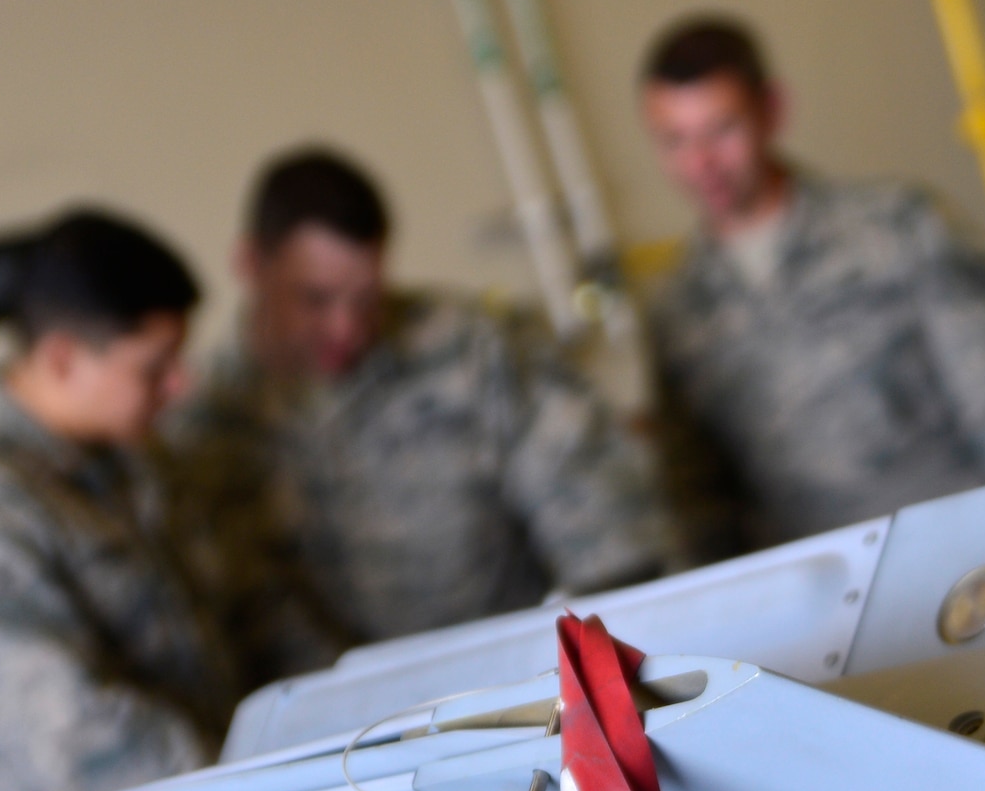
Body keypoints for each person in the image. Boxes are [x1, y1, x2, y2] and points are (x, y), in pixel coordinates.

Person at [164, 148, 673, 672]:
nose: (345, 327)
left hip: (526, 687)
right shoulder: (205, 426)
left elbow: (605, 520)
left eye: (364, 298)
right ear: (250, 265)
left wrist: (603, 665)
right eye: (315, 299)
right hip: (340, 731)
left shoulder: (471, 351)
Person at [640, 16, 985, 555]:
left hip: (967, 554)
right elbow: (701, 505)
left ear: (773, 110)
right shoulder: (678, 309)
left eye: (722, 130)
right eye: (675, 141)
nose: (701, 164)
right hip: (820, 597)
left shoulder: (897, 228)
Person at [0, 210, 236, 791]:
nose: (180, 387)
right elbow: (73, 736)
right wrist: (262, 788)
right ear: (61, 359)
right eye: (153, 369)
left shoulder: (132, 462)